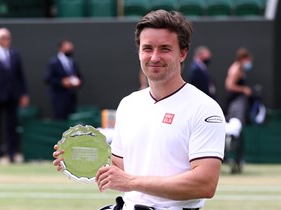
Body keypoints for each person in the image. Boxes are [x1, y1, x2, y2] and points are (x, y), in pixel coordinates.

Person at [53, 10, 225, 210]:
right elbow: (122, 169)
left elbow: (204, 184)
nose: (154, 57)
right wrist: (79, 159)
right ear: (139, 51)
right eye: (147, 48)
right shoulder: (129, 104)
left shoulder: (204, 108)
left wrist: (131, 182)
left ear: (183, 53)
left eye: (165, 49)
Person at [0, 28, 29, 163]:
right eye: (4, 38)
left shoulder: (15, 54)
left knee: (11, 126)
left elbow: (21, 76)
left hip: (12, 96)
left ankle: (11, 154)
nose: (7, 40)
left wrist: (24, 93)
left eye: (8, 37)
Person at [224, 47, 253, 174]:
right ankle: (231, 159)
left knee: (239, 135)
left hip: (239, 105)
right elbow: (229, 85)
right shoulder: (235, 68)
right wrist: (244, 89)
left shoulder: (239, 68)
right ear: (243, 58)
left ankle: (237, 161)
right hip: (235, 107)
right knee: (234, 133)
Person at [44, 39, 84, 120]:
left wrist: (78, 81)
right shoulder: (54, 62)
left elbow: (80, 77)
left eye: (70, 47)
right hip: (59, 98)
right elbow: (47, 79)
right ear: (61, 48)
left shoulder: (73, 62)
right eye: (67, 47)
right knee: (61, 120)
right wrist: (62, 82)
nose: (70, 49)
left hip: (72, 97)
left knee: (72, 121)